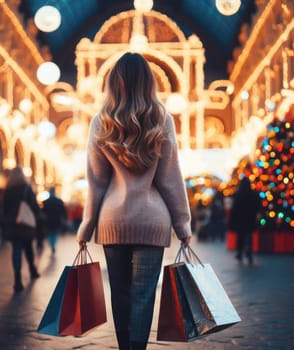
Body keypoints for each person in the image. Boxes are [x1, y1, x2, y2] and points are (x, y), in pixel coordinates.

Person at [76, 52, 192, 350]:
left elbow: (96, 181)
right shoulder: (160, 119)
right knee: (143, 294)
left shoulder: (101, 122)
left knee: (120, 292)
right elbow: (170, 178)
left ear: (114, 83)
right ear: (148, 81)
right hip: (153, 222)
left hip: (112, 221)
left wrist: (86, 226)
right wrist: (183, 224)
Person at [2, 166, 41, 293]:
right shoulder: (26, 189)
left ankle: (17, 280)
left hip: (12, 224)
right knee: (28, 248)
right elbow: (34, 206)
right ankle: (32, 269)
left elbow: (4, 209)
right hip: (25, 224)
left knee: (16, 250)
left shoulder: (7, 190)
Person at [229, 176, 260, 264]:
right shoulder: (254, 194)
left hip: (240, 220)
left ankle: (240, 253)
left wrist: (232, 220)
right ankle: (249, 253)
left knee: (240, 237)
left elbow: (235, 208)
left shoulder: (238, 194)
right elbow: (258, 206)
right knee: (249, 236)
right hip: (250, 219)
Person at [42, 187, 67, 254]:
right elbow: (63, 211)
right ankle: (53, 245)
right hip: (56, 220)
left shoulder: (46, 202)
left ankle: (51, 245)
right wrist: (64, 218)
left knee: (50, 233)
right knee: (55, 233)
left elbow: (43, 211)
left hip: (48, 220)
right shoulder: (59, 201)